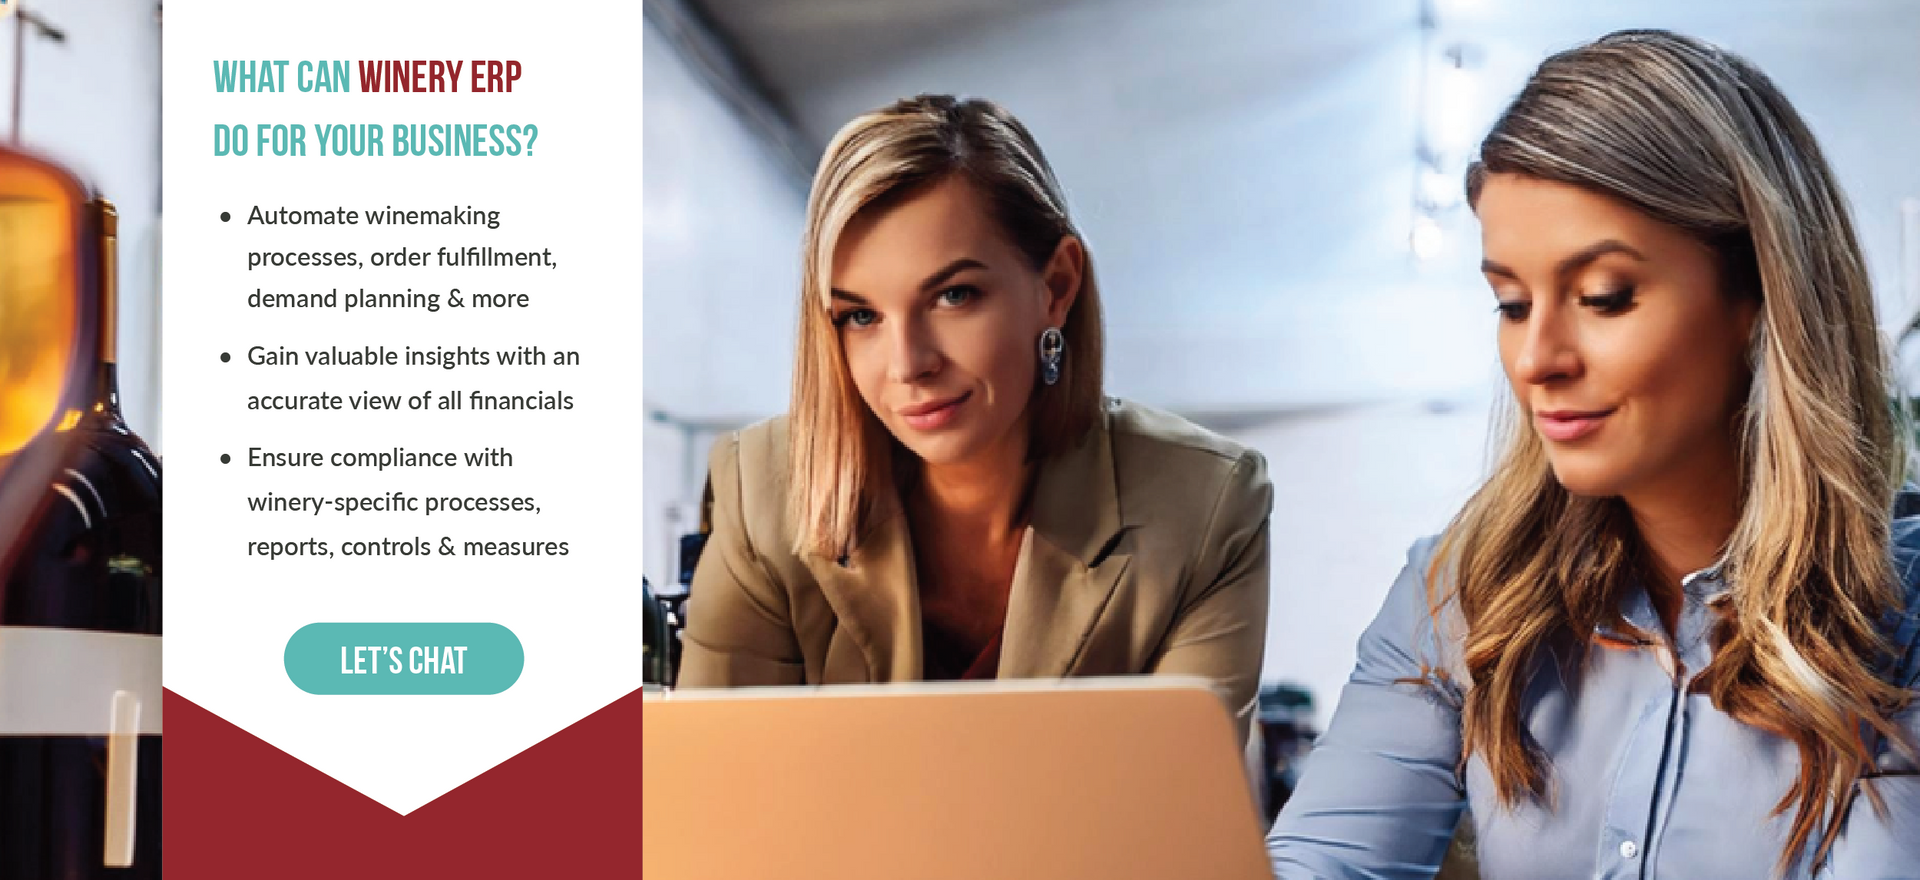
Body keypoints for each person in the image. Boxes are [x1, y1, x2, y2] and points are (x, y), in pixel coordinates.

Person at [1267, 30, 1920, 879]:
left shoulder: (1896, 628)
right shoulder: (1462, 598)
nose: (1538, 357)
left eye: (1604, 297)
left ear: (1757, 296)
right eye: (1509, 301)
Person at [677, 95, 1273, 746]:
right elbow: (719, 795)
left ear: (1057, 287)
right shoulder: (760, 490)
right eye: (861, 316)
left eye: (953, 295)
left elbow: (1173, 811)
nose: (907, 364)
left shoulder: (1206, 504)